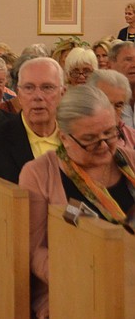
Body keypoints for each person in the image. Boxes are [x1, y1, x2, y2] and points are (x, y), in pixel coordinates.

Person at [19, 85, 135, 319]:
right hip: (72, 286)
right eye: (90, 139)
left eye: (110, 134)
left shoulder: (130, 160)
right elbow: (33, 249)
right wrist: (81, 278)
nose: (104, 145)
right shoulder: (39, 173)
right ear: (64, 137)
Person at [0, 57, 65, 184]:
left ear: (62, 93)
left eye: (47, 87)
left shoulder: (79, 139)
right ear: (19, 95)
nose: (37, 96)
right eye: (29, 88)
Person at [88, 69, 135, 148]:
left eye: (118, 105)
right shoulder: (78, 138)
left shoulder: (132, 137)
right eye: (106, 104)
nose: (112, 112)